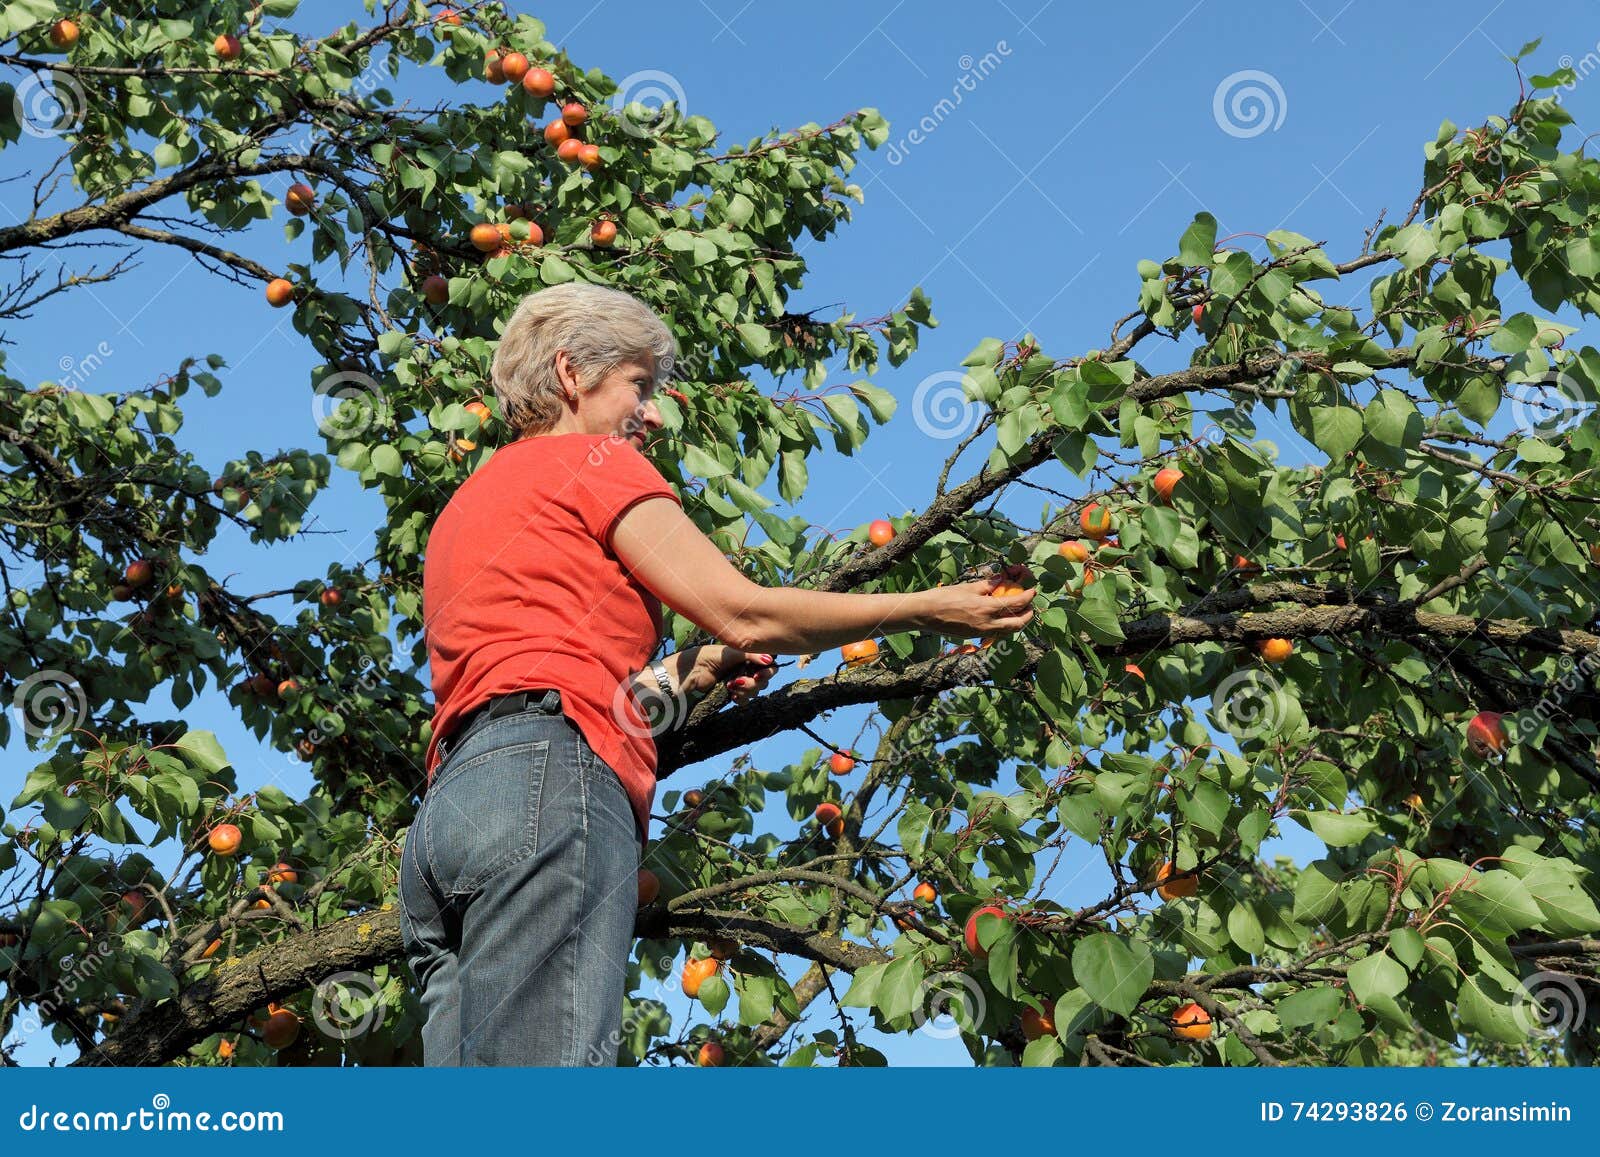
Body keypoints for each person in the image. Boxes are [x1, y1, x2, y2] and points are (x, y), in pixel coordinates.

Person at [399, 282, 1035, 1066]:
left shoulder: (470, 503)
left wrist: (684, 671)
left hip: (448, 822)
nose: (654, 413)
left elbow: (538, 681)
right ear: (572, 374)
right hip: (547, 791)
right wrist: (930, 608)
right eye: (640, 384)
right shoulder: (592, 462)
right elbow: (746, 611)